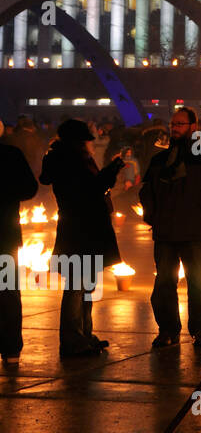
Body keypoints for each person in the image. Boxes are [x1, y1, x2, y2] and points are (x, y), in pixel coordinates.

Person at [140, 106, 201, 347]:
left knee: (197, 282)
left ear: (193, 127)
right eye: (173, 124)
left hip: (194, 233)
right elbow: (146, 192)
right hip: (165, 232)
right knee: (165, 283)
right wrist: (153, 216)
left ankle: (199, 328)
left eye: (180, 124)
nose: (175, 128)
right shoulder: (159, 159)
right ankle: (168, 329)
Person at [40, 119, 125, 357]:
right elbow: (92, 188)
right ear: (80, 141)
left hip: (77, 228)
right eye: (88, 139)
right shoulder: (74, 160)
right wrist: (113, 168)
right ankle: (74, 339)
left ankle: (84, 335)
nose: (91, 143)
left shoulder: (63, 158)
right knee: (78, 287)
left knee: (85, 286)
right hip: (83, 228)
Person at [0, 121, 40, 364]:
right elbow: (29, 189)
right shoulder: (11, 155)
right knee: (7, 292)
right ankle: (11, 348)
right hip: (5, 234)